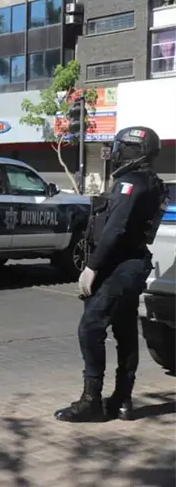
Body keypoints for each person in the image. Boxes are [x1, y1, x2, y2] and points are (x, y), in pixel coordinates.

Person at [55, 126, 167, 423]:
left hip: (120, 266)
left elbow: (116, 228)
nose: (116, 154)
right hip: (131, 265)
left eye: (121, 148)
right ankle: (122, 401)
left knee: (90, 328)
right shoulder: (150, 182)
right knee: (125, 331)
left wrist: (92, 267)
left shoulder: (131, 183)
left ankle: (92, 400)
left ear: (133, 151)